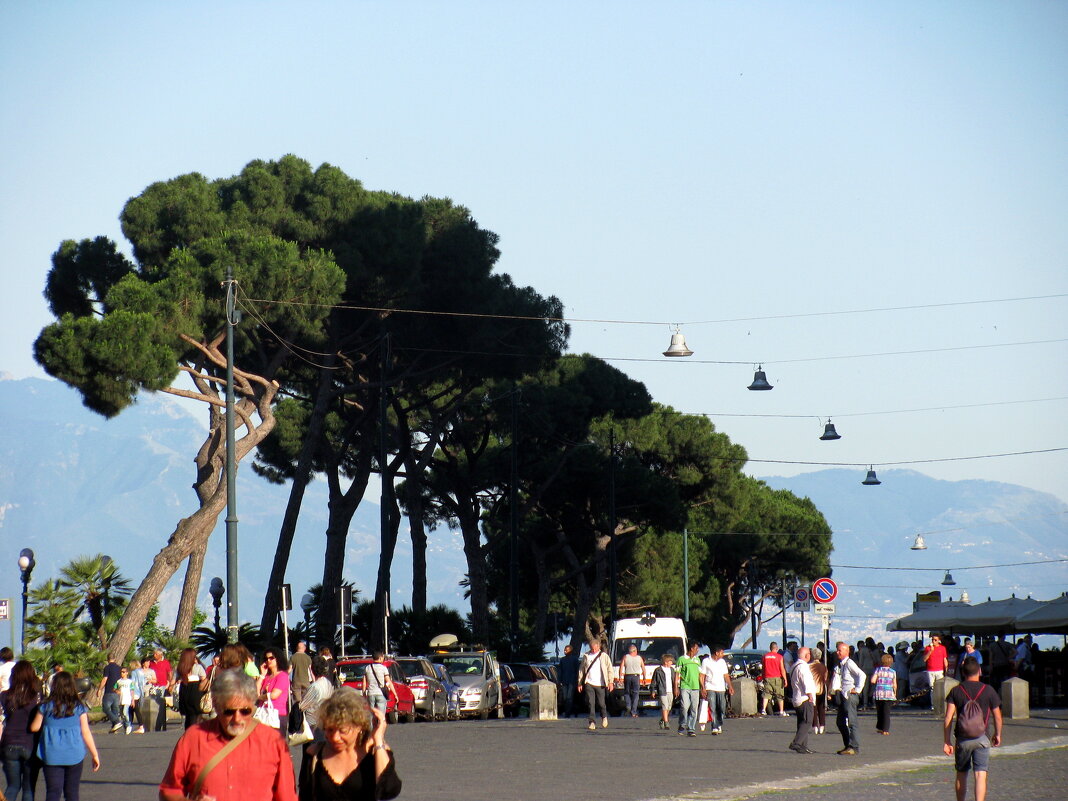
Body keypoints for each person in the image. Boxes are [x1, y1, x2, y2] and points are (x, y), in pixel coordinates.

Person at [159, 669, 297, 801]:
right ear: (216, 706)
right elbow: (169, 790)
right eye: (229, 712)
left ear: (253, 705)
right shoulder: (194, 738)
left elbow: (286, 796)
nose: (237, 719)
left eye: (245, 711)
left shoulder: (273, 742)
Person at [297, 688, 401, 801]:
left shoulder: (375, 752)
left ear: (359, 726)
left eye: (343, 731)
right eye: (330, 730)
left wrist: (378, 740)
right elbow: (304, 796)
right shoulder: (314, 754)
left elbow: (388, 790)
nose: (336, 737)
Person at [30, 671, 101, 800]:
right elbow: (85, 732)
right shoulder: (78, 707)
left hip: (51, 753)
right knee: (72, 792)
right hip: (74, 753)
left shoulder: (46, 706)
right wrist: (94, 754)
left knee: (53, 792)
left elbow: (34, 727)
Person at [944, 657, 1002, 801]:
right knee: (980, 774)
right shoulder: (988, 690)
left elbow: (948, 717)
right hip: (982, 737)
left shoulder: (956, 691)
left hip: (962, 739)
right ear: (980, 671)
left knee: (961, 773)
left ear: (963, 673)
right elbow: (998, 716)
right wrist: (997, 734)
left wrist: (947, 741)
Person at [1, 659, 43, 801]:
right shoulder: (36, 696)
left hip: (9, 742)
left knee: (12, 786)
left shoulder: (5, 696)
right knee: (28, 788)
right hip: (30, 743)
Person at [832, 641, 865, 755]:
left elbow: (862, 675)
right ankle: (847, 745)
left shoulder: (850, 663)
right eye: (837, 650)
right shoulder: (840, 665)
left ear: (846, 651)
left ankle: (854, 746)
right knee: (840, 722)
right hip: (842, 695)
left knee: (852, 721)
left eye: (840, 650)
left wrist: (857, 688)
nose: (837, 652)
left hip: (850, 695)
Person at [577, 638, 613, 731]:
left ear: (598, 647)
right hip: (589, 682)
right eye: (591, 648)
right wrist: (580, 683)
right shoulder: (586, 656)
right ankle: (592, 722)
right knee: (590, 703)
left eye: (595, 648)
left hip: (600, 683)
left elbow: (610, 669)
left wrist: (610, 682)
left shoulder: (604, 656)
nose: (593, 650)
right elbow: (581, 670)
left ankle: (604, 716)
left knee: (601, 703)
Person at [788, 646, 817, 755]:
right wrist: (810, 695)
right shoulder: (803, 667)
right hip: (804, 698)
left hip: (796, 697)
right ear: (806, 655)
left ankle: (803, 746)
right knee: (807, 721)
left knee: (801, 722)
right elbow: (806, 682)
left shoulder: (794, 666)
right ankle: (796, 742)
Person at [300, 656, 336, 740]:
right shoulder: (327, 683)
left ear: (312, 670)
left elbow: (303, 706)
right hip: (325, 720)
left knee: (311, 750)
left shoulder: (314, 687)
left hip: (313, 724)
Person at [700, 646, 732, 736]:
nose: (723, 655)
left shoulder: (722, 662)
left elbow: (726, 675)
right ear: (716, 653)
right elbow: (702, 675)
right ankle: (714, 726)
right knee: (713, 707)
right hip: (710, 687)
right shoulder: (706, 661)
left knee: (721, 707)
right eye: (722, 653)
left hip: (721, 687)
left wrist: (730, 686)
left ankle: (719, 723)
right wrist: (703, 687)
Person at [259, 648, 291, 738]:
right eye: (266, 659)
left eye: (271, 658)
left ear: (278, 659)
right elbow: (256, 691)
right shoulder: (267, 677)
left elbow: (274, 695)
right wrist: (262, 675)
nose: (268, 660)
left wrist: (260, 697)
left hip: (277, 715)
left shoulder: (282, 676)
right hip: (264, 714)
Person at [175, 648, 208, 730]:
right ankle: (193, 733)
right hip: (195, 690)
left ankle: (187, 732)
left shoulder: (180, 668)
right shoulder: (198, 667)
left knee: (188, 716)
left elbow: (176, 679)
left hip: (184, 690)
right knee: (195, 715)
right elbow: (204, 678)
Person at [674, 642, 702, 737]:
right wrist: (676, 687)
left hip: (696, 687)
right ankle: (682, 724)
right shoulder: (681, 659)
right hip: (685, 686)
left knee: (694, 708)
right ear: (691, 648)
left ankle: (691, 728)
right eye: (696, 648)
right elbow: (677, 674)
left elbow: (700, 675)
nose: (697, 650)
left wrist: (703, 687)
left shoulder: (697, 660)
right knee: (684, 707)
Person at [97, 656, 123, 734]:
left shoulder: (107, 668)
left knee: (106, 708)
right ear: (114, 659)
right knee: (115, 709)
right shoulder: (119, 668)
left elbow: (105, 679)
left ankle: (116, 721)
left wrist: (99, 689)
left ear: (107, 659)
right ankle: (114, 727)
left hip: (109, 691)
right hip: (117, 691)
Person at [872, 653, 897, 735]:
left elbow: (872, 680)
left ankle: (880, 727)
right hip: (889, 693)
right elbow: (894, 684)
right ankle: (886, 729)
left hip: (879, 693)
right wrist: (895, 693)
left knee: (880, 711)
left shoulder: (878, 670)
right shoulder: (893, 672)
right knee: (886, 712)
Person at [650, 653, 676, 731]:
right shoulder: (658, 670)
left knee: (669, 706)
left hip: (670, 690)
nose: (672, 663)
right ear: (666, 662)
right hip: (662, 690)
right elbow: (654, 681)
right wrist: (653, 691)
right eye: (670, 661)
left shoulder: (672, 670)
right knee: (665, 705)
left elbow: (674, 680)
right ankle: (666, 722)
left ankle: (662, 720)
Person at [761, 642, 788, 717]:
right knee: (779, 695)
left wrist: (763, 677)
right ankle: (781, 711)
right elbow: (782, 668)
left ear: (770, 648)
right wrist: (785, 679)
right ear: (776, 648)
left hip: (767, 677)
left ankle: (763, 709)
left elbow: (763, 668)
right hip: (777, 678)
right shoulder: (779, 657)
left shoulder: (765, 656)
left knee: (766, 694)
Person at [149, 649, 173, 732]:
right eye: (154, 653)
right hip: (153, 686)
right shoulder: (151, 663)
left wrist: (170, 684)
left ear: (160, 655)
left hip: (163, 686)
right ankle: (156, 724)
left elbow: (170, 673)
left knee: (161, 706)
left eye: (156, 654)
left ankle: (161, 724)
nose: (154, 655)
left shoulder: (166, 662)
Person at [618, 643, 645, 718]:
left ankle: (628, 706)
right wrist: (644, 678)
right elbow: (643, 668)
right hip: (636, 676)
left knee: (627, 692)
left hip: (627, 676)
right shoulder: (639, 658)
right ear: (635, 650)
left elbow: (621, 668)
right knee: (636, 694)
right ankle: (633, 711)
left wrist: (620, 677)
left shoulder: (625, 657)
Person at [556, 644, 579, 718]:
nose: (565, 651)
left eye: (567, 650)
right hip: (564, 681)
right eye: (565, 650)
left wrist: (577, 681)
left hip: (572, 681)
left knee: (569, 697)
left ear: (570, 651)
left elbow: (577, 671)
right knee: (565, 698)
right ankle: (572, 710)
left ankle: (568, 712)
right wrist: (559, 681)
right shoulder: (562, 660)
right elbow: (560, 671)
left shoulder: (575, 659)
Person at [809, 653, 828, 735]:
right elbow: (826, 678)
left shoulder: (809, 666)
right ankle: (822, 726)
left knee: (814, 708)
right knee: (821, 708)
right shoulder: (824, 667)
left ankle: (815, 726)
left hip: (812, 689)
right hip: (821, 689)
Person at [925, 634, 948, 703]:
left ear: (938, 640)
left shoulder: (942, 648)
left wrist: (946, 669)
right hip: (930, 670)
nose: (934, 641)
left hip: (939, 670)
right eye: (932, 640)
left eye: (935, 640)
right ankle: (933, 704)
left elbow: (945, 659)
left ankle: (940, 703)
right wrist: (930, 651)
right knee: (932, 688)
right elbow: (924, 659)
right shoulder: (927, 648)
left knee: (940, 688)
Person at [114, 666, 136, 735]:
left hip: (127, 699)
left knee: (125, 712)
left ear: (126, 673)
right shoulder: (118, 681)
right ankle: (126, 727)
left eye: (123, 672)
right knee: (121, 714)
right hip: (121, 700)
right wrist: (116, 691)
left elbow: (132, 691)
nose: (122, 673)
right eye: (121, 672)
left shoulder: (130, 682)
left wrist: (132, 700)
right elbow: (114, 688)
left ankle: (129, 725)